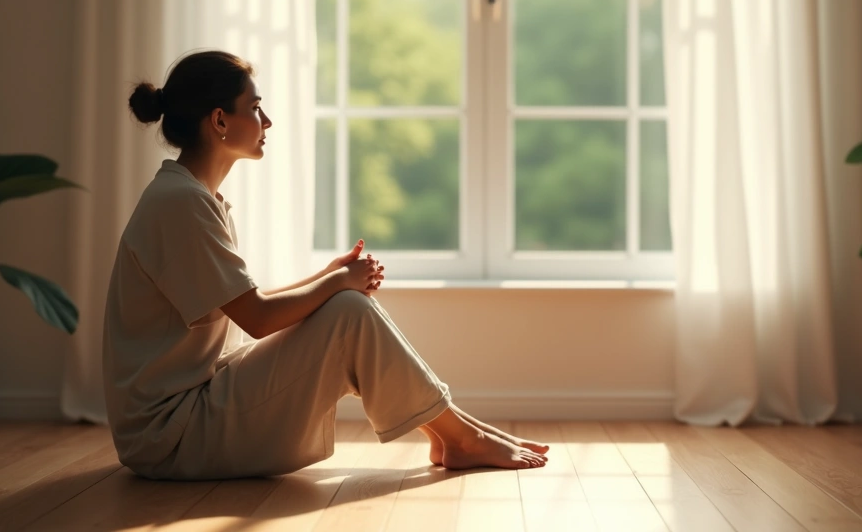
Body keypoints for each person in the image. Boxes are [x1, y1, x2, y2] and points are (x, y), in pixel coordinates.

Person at [102, 50, 548, 480]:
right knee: (349, 311)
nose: (267, 121)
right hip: (171, 436)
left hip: (183, 416)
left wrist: (328, 276)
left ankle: (455, 434)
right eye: (255, 108)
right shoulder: (181, 203)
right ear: (219, 120)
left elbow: (238, 304)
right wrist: (337, 282)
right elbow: (256, 318)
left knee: (347, 307)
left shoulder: (191, 197)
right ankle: (461, 437)